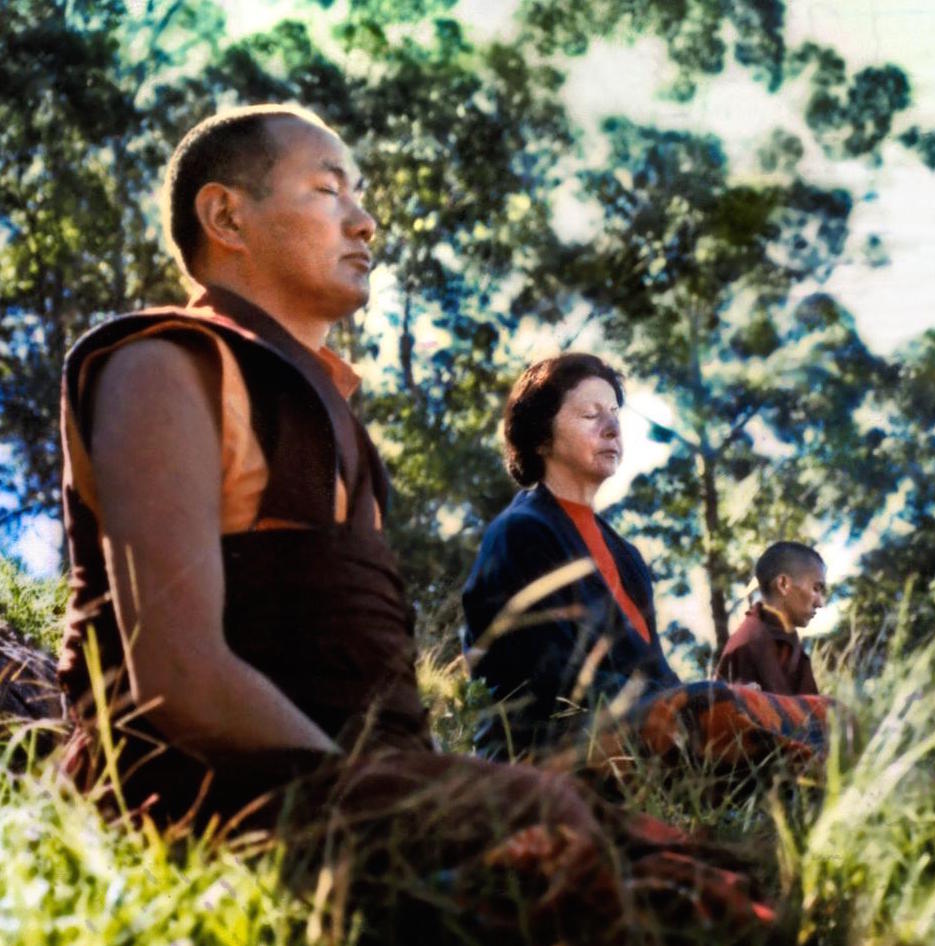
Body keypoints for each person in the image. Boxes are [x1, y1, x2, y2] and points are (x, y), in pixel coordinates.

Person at [57, 104, 779, 944]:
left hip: (366, 785)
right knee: (573, 854)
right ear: (227, 217)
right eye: (328, 191)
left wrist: (419, 786)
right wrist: (407, 801)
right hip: (218, 791)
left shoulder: (335, 423)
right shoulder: (163, 364)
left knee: (712, 876)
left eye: (358, 195)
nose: (364, 220)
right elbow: (177, 675)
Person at [462, 354, 831, 769]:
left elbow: (652, 671)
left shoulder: (626, 557)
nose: (612, 427)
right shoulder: (520, 533)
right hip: (541, 751)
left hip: (639, 730)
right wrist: (694, 701)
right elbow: (551, 681)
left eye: (615, 414)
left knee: (830, 714)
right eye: (590, 414)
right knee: (721, 710)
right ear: (541, 438)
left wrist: (704, 693)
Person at [715, 542, 824, 695]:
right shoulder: (746, 644)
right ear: (783, 584)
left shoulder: (790, 644)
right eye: (816, 589)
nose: (820, 603)